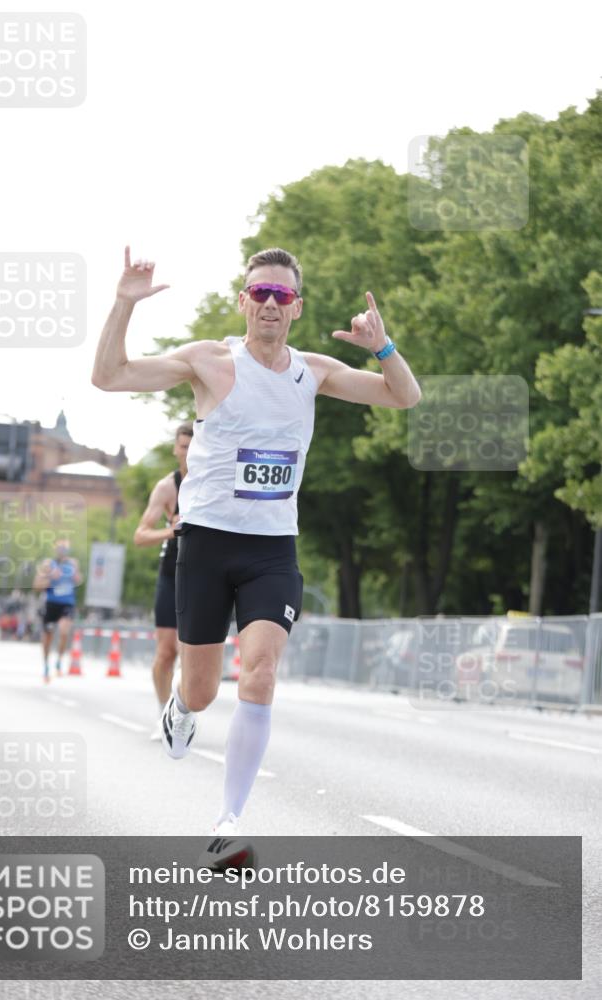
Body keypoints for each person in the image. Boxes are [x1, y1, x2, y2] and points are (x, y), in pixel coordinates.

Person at [92, 246, 421, 840]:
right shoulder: (210, 362)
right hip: (207, 543)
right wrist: (123, 304)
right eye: (260, 294)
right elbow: (109, 376)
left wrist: (383, 347)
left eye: (283, 296)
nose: (271, 304)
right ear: (243, 301)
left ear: (296, 308)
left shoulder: (313, 372)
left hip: (272, 549)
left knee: (261, 675)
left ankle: (229, 819)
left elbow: (405, 397)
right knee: (201, 688)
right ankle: (183, 710)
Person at [133, 422, 192, 739]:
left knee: (191, 652)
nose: (187, 452)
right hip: (172, 572)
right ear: (175, 448)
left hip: (204, 576)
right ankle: (163, 713)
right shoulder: (168, 487)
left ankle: (182, 711)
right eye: (183, 446)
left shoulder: (216, 480)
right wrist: (173, 530)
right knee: (166, 652)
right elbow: (140, 535)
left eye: (193, 446)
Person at [33, 538, 82, 682]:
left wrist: (76, 576)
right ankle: (46, 665)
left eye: (65, 548)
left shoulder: (73, 564)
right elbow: (36, 586)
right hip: (51, 604)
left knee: (64, 630)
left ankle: (59, 661)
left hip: (67, 604)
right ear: (56, 549)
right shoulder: (48, 564)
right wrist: (49, 578)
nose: (63, 551)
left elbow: (78, 580)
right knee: (47, 637)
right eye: (60, 548)